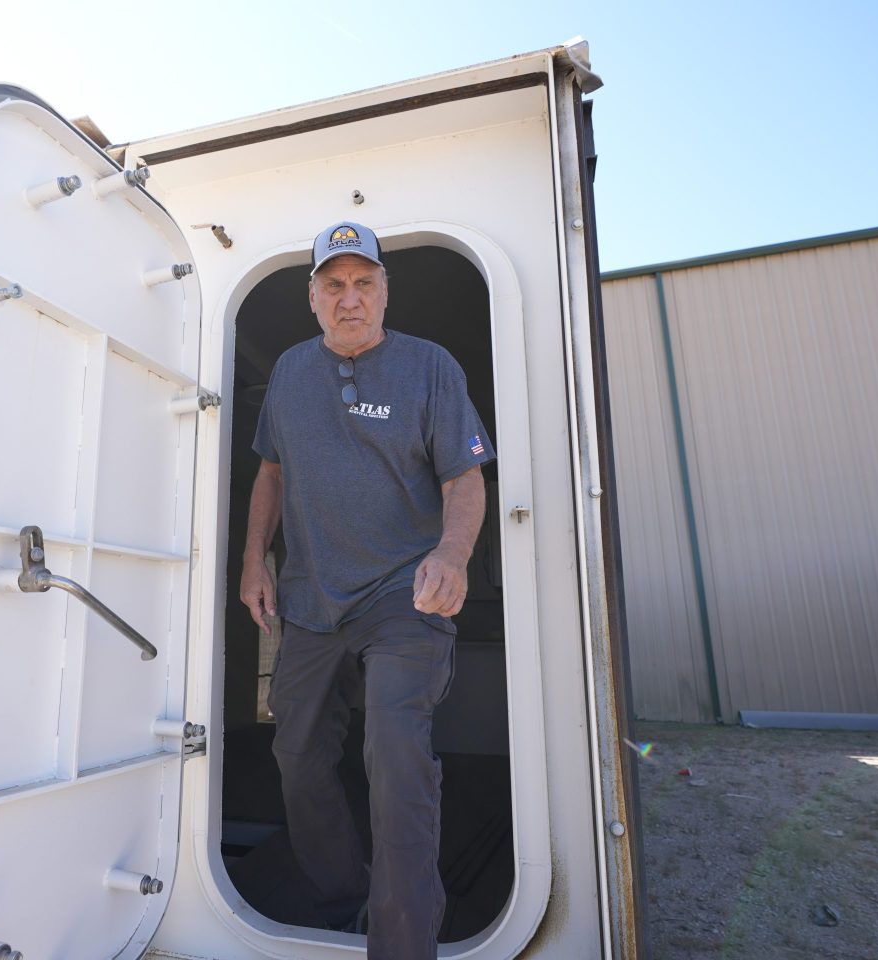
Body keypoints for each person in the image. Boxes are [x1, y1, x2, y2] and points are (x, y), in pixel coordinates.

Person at [240, 221, 494, 959]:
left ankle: (404, 940)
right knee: (296, 755)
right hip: (311, 598)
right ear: (312, 297)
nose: (348, 298)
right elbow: (271, 472)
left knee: (395, 750)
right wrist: (254, 560)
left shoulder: (429, 366)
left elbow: (465, 478)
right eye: (333, 285)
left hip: (401, 595)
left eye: (363, 283)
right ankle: (341, 898)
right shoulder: (290, 371)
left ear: (385, 291)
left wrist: (452, 553)